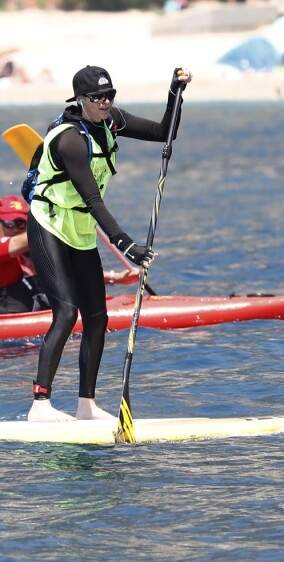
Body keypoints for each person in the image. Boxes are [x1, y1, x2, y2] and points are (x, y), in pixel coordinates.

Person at [26, 64, 192, 422]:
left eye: (109, 95)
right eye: (97, 98)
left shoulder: (112, 120)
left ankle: (86, 405)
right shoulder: (69, 139)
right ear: (80, 100)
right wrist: (126, 245)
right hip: (49, 224)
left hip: (81, 227)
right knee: (67, 313)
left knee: (98, 318)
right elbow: (92, 198)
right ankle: (40, 405)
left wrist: (174, 93)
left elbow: (166, 133)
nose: (105, 102)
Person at [0, 195, 139, 319]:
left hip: (27, 336)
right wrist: (63, 214)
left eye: (23, 223)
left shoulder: (29, 256)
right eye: (11, 223)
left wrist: (116, 278)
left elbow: (67, 277)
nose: (17, 228)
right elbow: (28, 238)